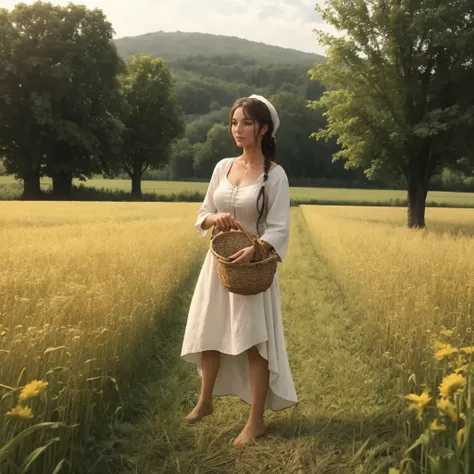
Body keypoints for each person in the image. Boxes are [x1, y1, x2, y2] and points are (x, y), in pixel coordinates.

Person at [180, 94, 297, 447]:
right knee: (209, 330)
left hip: (252, 271)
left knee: (253, 343)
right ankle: (205, 402)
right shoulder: (222, 167)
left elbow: (279, 227)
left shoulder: (274, 176)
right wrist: (216, 218)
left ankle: (256, 421)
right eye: (234, 122)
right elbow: (202, 214)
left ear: (263, 128)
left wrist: (256, 248)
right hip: (218, 264)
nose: (238, 129)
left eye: (246, 122)